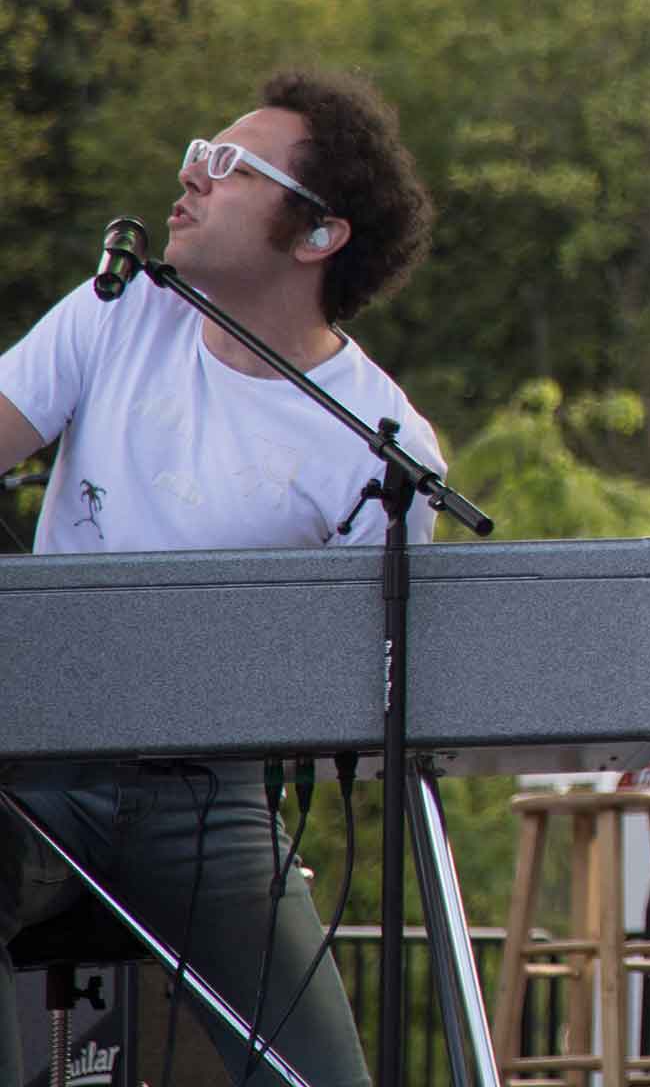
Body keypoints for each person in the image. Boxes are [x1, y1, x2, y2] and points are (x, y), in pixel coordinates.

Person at [0, 67, 441, 1087]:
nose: (191, 176)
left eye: (231, 166)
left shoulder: (382, 444)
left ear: (319, 234)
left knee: (324, 1076)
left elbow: (354, 692)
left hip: (214, 804)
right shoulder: (116, 311)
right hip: (34, 755)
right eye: (200, 151)